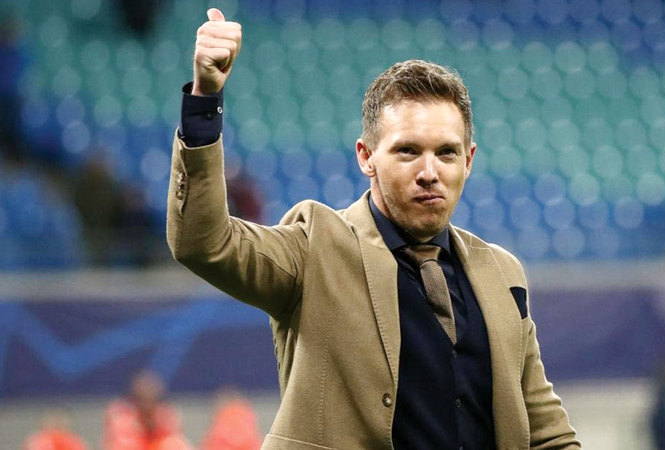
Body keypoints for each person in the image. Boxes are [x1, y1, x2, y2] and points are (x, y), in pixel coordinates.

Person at [167, 8, 579, 449]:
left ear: (469, 160)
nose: (429, 173)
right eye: (407, 151)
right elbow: (204, 243)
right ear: (366, 157)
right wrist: (205, 100)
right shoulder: (316, 245)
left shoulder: (501, 272)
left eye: (446, 153)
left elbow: (547, 432)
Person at [104, 370, 192, 450]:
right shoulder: (122, 423)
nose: (147, 405)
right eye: (142, 399)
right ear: (134, 401)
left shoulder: (167, 420)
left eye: (152, 400)